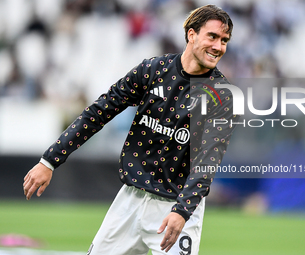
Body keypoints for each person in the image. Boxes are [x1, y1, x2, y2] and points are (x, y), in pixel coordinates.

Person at [23, 4, 238, 255]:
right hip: (130, 199)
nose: (218, 47)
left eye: (224, 40)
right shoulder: (153, 70)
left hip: (176, 207)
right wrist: (49, 161)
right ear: (191, 34)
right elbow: (99, 112)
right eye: (212, 36)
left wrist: (182, 211)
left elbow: (208, 162)